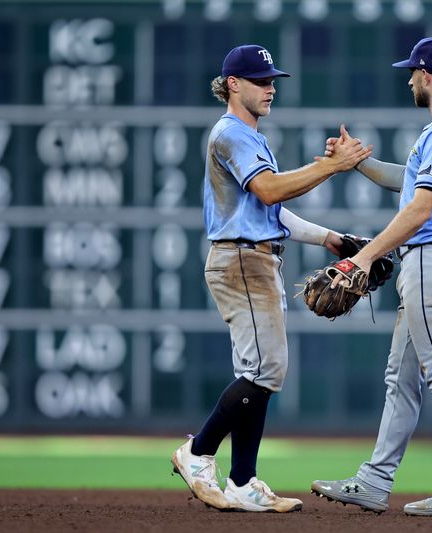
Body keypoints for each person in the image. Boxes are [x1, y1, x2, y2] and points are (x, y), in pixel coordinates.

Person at [171, 44, 371, 513]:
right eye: (261, 80)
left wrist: (331, 239)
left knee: (258, 372)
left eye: (272, 79)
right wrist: (331, 166)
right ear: (233, 84)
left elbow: (271, 209)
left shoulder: (250, 137)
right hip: (242, 259)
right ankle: (198, 452)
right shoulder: (231, 133)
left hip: (255, 257)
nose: (271, 87)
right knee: (267, 370)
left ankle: (242, 481)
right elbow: (267, 188)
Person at [311, 37, 432, 517]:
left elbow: (421, 206)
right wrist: (358, 162)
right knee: (402, 380)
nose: (409, 78)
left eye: (413, 72)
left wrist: (363, 257)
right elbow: (407, 180)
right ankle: (373, 482)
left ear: (427, 76)